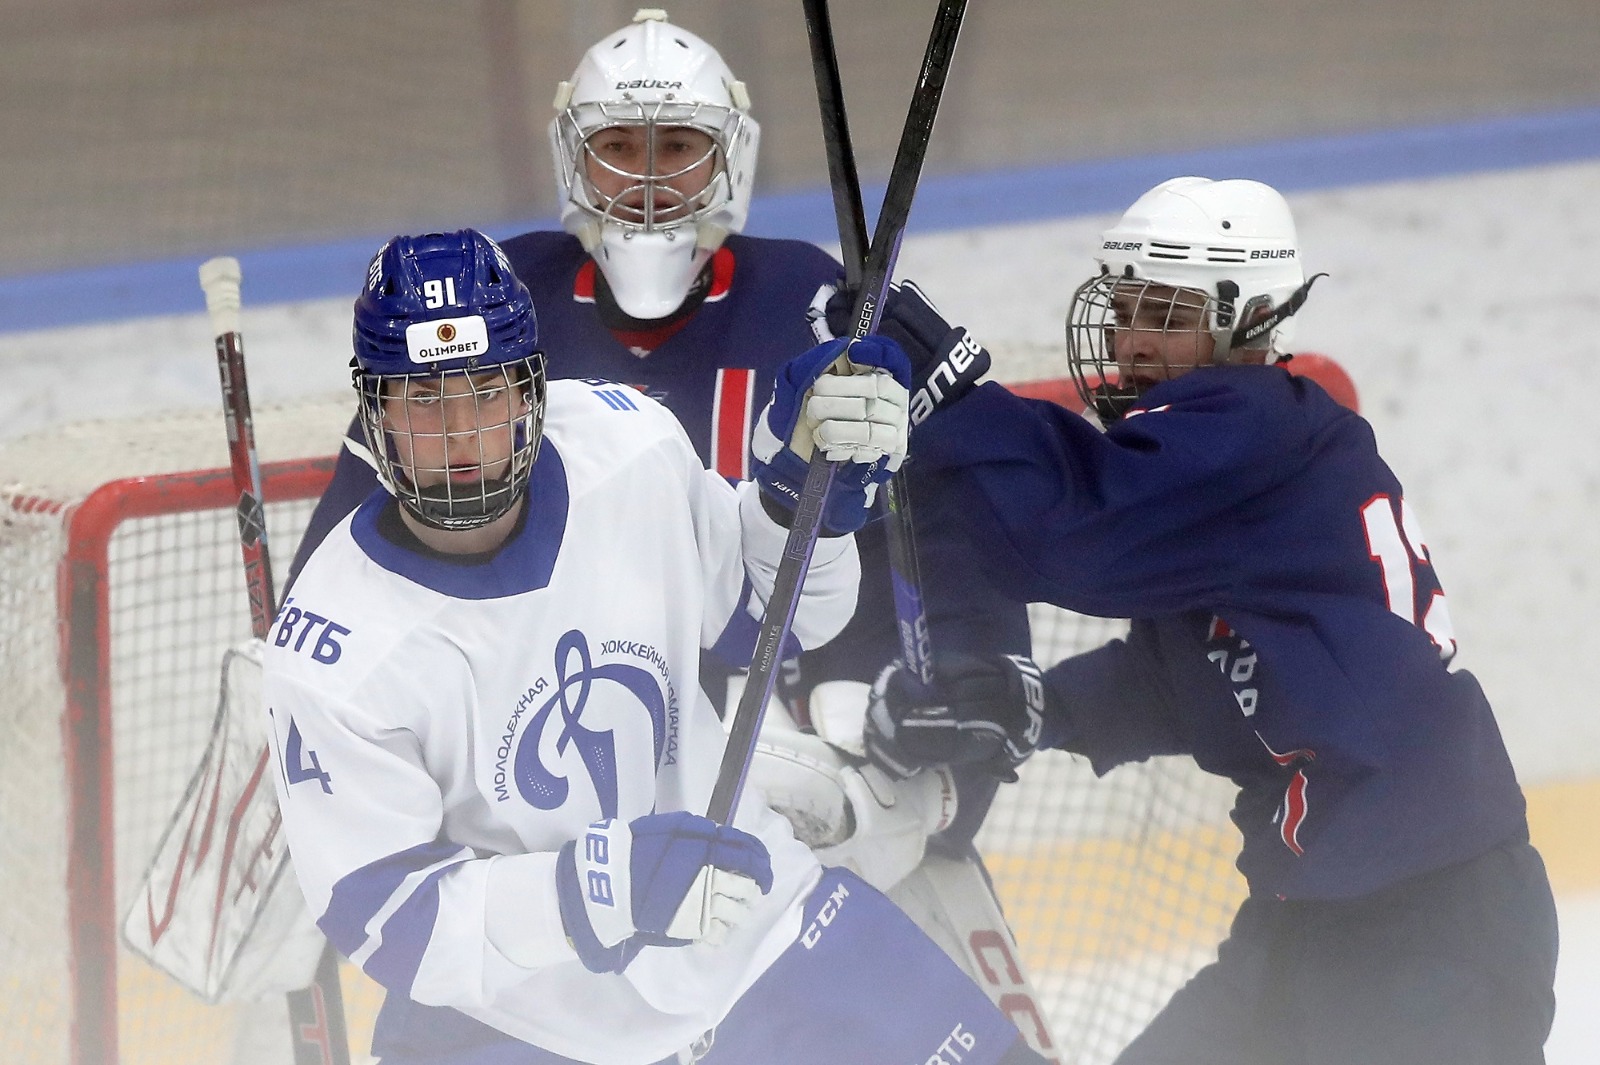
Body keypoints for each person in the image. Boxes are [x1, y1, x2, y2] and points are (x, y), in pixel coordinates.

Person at [265, 227, 1049, 1065]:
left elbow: (765, 613)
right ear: (375, 410)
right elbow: (387, 915)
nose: (461, 433)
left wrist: (801, 498)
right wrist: (591, 891)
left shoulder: (624, 445)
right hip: (525, 1025)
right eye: (424, 402)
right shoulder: (333, 650)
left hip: (756, 931)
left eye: (485, 391)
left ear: (530, 387)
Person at [285, 9, 1026, 876]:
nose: (645, 182)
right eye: (618, 149)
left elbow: (934, 532)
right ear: (574, 159)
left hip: (778, 697)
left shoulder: (809, 301)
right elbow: (352, 557)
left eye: (677, 147)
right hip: (541, 717)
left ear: (729, 159)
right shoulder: (495, 307)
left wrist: (957, 747)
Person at [862, 177, 1560, 1064]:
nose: (1134, 340)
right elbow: (1184, 678)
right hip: (1322, 913)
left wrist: (953, 395)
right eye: (1125, 309)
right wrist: (1036, 705)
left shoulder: (1246, 422)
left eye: (1168, 314)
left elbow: (1066, 538)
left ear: (1248, 320)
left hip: (1427, 925)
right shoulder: (1238, 462)